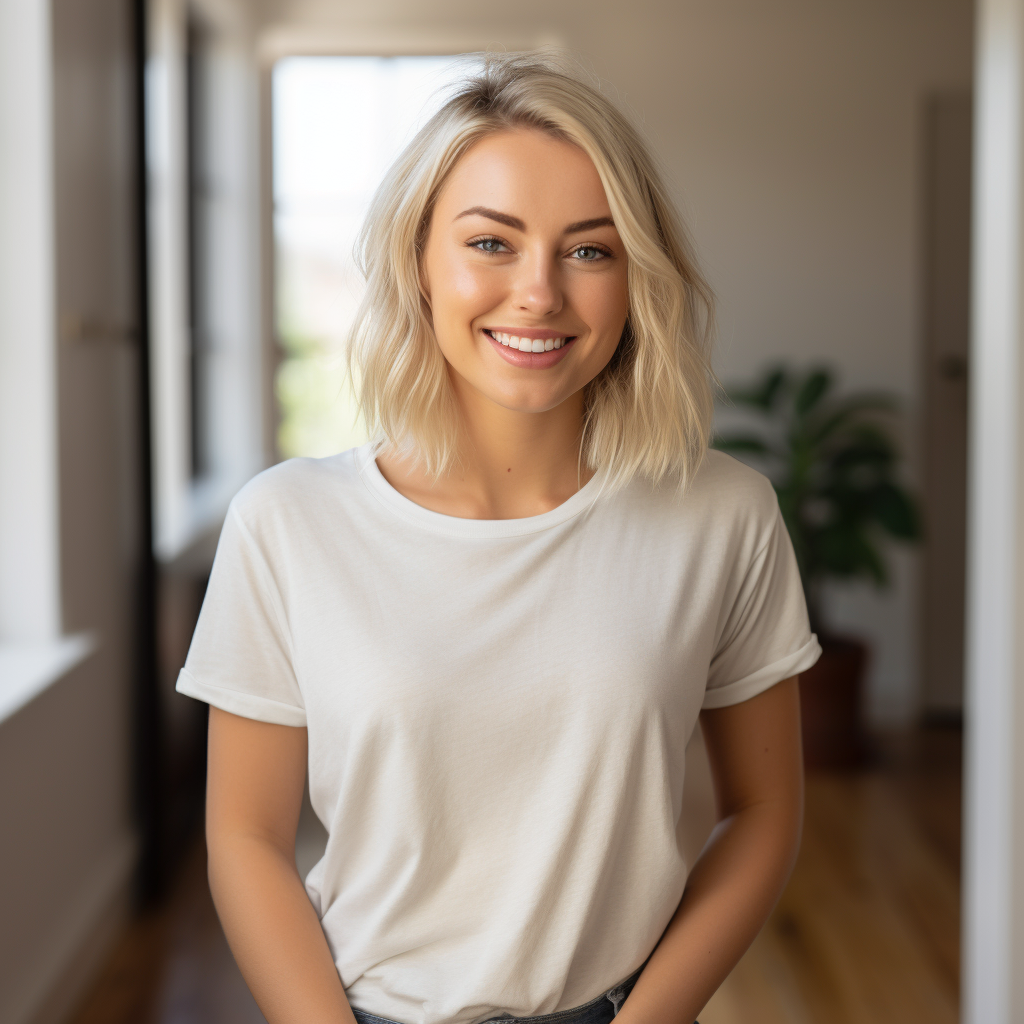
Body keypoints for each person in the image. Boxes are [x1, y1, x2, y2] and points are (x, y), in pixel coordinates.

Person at [177, 52, 820, 1024]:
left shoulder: (723, 515)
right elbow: (244, 832)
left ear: (635, 277)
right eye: (491, 243)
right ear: (419, 263)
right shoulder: (288, 523)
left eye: (590, 250)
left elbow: (765, 810)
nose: (539, 293)